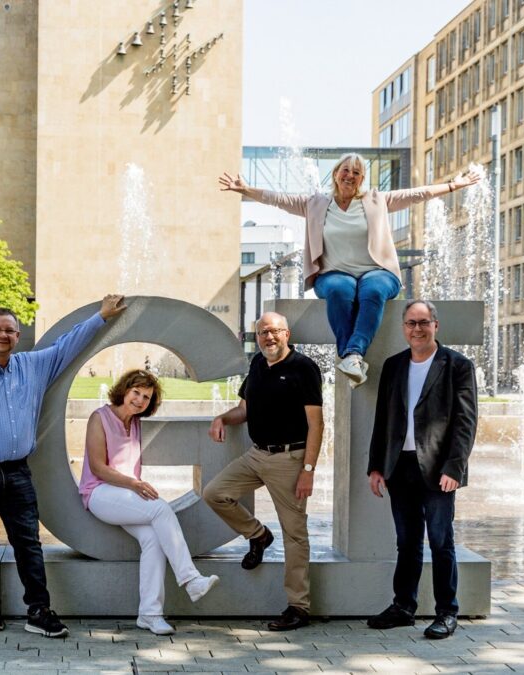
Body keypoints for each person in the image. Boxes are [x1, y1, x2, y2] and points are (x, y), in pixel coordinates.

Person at [0, 294, 127, 638]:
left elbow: (67, 344)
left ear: (17, 335)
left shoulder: (33, 366)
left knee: (29, 543)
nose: (3, 336)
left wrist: (100, 316)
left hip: (18, 473)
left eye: (10, 331)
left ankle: (38, 611)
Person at [218, 155, 481, 387]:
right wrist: (246, 190)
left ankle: (352, 355)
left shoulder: (376, 200)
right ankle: (352, 359)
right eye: (346, 170)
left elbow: (416, 194)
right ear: (335, 174)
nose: (350, 175)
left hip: (377, 271)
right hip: (334, 274)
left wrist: (453, 185)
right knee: (340, 289)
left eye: (356, 172)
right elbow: (278, 199)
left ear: (361, 179)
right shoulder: (316, 204)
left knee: (373, 289)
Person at [203, 312, 324, 631]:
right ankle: (258, 534)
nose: (268, 337)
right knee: (215, 493)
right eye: (261, 333)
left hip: (289, 459)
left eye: (273, 332)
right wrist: (221, 418)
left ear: (287, 333)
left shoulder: (303, 368)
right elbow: (244, 410)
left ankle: (299, 606)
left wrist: (308, 470)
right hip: (257, 455)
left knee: (295, 533)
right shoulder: (257, 364)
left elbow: (316, 423)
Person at [366, 300, 477, 640]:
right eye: (412, 323)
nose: (417, 329)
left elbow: (465, 422)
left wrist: (454, 468)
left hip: (439, 469)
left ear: (435, 325)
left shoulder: (457, 365)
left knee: (441, 542)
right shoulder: (394, 365)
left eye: (424, 323)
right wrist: (376, 466)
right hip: (400, 467)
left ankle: (447, 612)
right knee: (407, 542)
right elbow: (383, 419)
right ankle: (403, 607)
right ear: (404, 328)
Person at [78, 369, 219, 635]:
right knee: (160, 509)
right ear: (124, 390)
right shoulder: (100, 417)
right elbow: (97, 467)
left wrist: (133, 486)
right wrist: (134, 483)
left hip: (125, 497)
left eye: (146, 397)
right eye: (136, 393)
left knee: (154, 539)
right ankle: (190, 580)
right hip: (99, 492)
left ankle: (150, 614)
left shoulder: (136, 423)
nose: (140, 400)